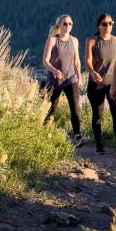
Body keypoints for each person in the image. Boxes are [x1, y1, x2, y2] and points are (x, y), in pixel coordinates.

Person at [85, 13, 116, 155]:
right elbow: (88, 61)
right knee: (98, 115)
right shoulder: (92, 41)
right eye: (104, 23)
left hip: (113, 83)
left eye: (110, 23)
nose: (108, 26)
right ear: (98, 25)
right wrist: (92, 72)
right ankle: (99, 144)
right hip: (96, 83)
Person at [43, 14, 84, 147]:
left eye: (70, 24)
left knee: (75, 107)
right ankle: (45, 136)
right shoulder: (52, 40)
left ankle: (77, 136)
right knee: (51, 109)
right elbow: (45, 61)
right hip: (54, 80)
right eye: (65, 24)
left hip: (70, 78)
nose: (67, 26)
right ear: (59, 26)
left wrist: (79, 77)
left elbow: (77, 61)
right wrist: (54, 70)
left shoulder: (75, 41)